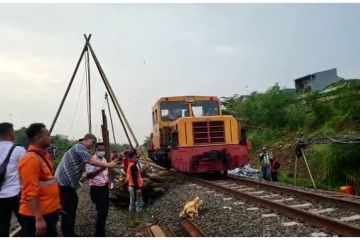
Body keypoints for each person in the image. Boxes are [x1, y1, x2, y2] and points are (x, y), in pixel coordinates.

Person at [54, 133, 120, 237]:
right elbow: (90, 161)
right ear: (87, 139)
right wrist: (108, 165)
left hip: (67, 184)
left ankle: (69, 233)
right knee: (69, 208)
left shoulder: (82, 149)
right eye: (93, 143)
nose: (93, 145)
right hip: (65, 183)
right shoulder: (79, 147)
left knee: (70, 206)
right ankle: (69, 234)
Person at [18, 123, 61, 237]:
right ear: (38, 137)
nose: (50, 137)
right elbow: (30, 192)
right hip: (37, 215)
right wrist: (39, 219)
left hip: (48, 210)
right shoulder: (31, 159)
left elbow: (47, 182)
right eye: (48, 135)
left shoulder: (42, 155)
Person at [0, 122, 26, 237]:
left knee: (2, 227)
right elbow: (26, 173)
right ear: (10, 133)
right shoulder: (19, 150)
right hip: (17, 194)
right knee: (27, 225)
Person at [85, 142, 110, 237]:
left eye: (103, 150)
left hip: (104, 187)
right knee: (102, 211)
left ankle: (100, 231)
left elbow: (106, 172)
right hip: (96, 188)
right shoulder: (91, 159)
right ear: (96, 150)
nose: (101, 151)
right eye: (99, 150)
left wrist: (108, 179)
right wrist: (101, 169)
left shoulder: (104, 159)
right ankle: (99, 234)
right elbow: (89, 175)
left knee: (103, 211)